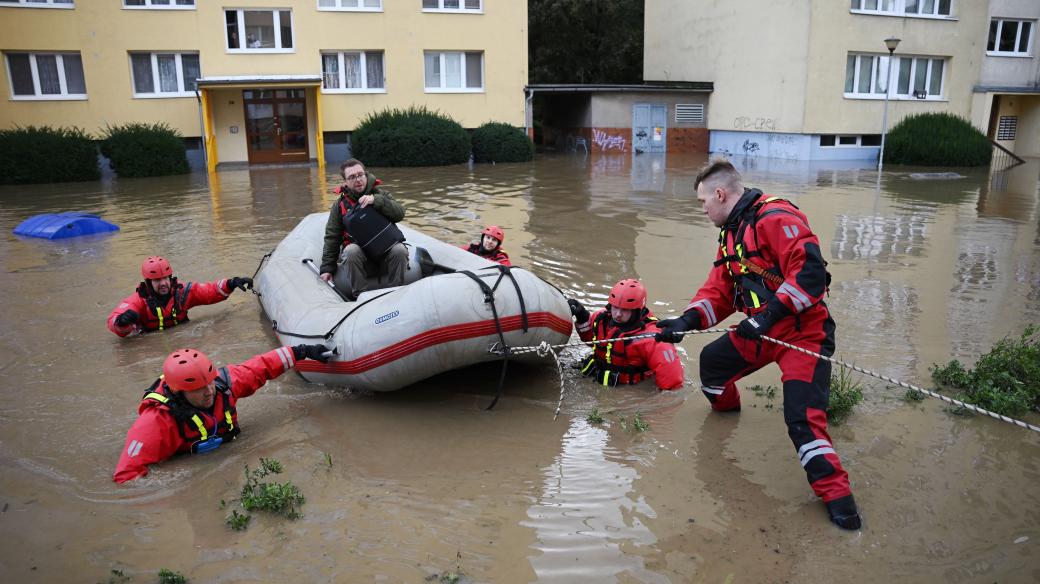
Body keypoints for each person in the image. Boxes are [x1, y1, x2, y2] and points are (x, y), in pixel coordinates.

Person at [654, 158, 860, 530]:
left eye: (702, 202)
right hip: (761, 332)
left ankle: (840, 502)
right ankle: (728, 412)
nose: (702, 210)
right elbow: (718, 291)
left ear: (720, 194)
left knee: (802, 421)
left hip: (802, 334)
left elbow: (811, 275)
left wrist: (765, 316)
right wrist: (686, 321)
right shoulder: (730, 232)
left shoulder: (776, 218)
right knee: (713, 365)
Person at [113, 344, 331, 483]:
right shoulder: (155, 422)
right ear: (180, 391)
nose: (209, 391)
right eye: (199, 388)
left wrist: (302, 351)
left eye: (209, 383)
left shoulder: (224, 384)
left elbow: (262, 366)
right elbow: (126, 476)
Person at [567, 278, 684, 391]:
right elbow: (591, 340)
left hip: (630, 388)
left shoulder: (655, 338)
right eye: (615, 307)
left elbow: (673, 386)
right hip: (597, 376)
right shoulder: (602, 318)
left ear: (637, 310)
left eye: (625, 310)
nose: (617, 314)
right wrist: (582, 316)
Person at [320, 158, 408, 300]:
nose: (358, 179)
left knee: (400, 250)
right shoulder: (339, 206)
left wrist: (376, 201)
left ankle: (395, 294)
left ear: (366, 175)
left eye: (360, 175)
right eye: (352, 177)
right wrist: (327, 268)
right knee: (350, 251)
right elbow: (332, 237)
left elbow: (400, 214)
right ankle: (361, 297)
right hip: (361, 259)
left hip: (385, 254)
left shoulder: (381, 195)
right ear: (345, 182)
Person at [107, 256, 254, 337]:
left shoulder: (183, 293)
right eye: (157, 280)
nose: (163, 283)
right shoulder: (138, 301)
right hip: (150, 338)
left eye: (166, 278)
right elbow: (113, 321)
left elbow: (210, 291)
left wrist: (231, 283)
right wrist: (121, 322)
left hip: (183, 336)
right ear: (148, 283)